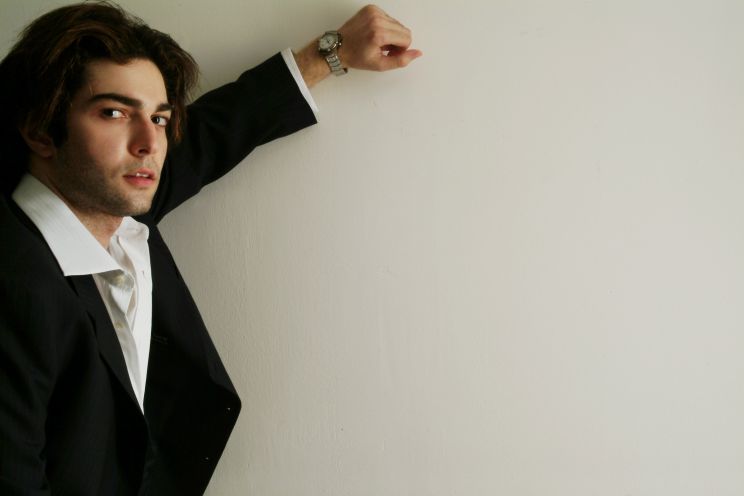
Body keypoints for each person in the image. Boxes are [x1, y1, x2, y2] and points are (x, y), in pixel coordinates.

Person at [0, 2, 421, 494]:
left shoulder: (114, 199)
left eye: (159, 118)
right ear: (39, 129)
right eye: (113, 113)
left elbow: (212, 134)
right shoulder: (16, 287)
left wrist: (332, 53)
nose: (149, 143)